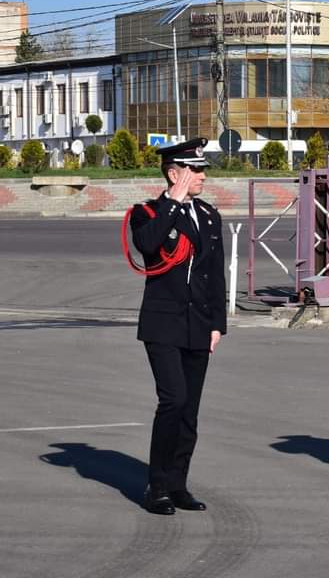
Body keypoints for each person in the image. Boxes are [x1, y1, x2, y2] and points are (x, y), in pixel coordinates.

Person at [126, 137, 225, 516]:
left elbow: (214, 274)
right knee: (173, 399)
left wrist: (217, 324)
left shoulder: (210, 215)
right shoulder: (148, 212)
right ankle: (157, 486)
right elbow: (148, 245)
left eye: (202, 169)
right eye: (195, 169)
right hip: (163, 324)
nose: (202, 175)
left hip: (199, 325)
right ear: (174, 173)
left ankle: (179, 484)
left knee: (190, 410)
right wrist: (172, 202)